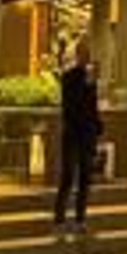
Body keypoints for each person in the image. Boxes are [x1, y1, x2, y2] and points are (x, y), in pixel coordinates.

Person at [53, 35, 101, 234]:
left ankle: (81, 218)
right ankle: (59, 218)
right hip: (72, 131)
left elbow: (92, 106)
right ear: (77, 54)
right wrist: (87, 84)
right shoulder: (69, 76)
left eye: (88, 53)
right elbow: (70, 106)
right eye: (83, 53)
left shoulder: (90, 78)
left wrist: (97, 127)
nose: (86, 56)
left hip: (87, 132)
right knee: (67, 175)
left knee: (85, 176)